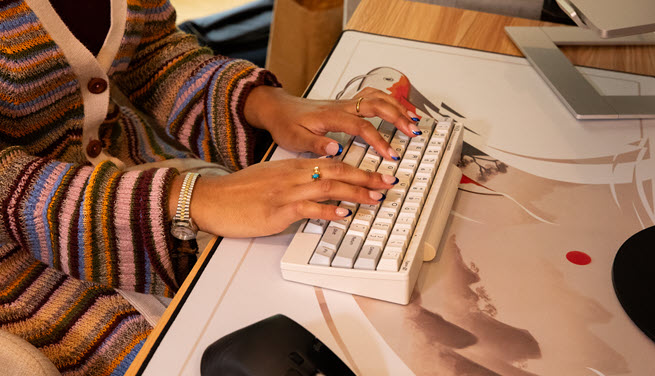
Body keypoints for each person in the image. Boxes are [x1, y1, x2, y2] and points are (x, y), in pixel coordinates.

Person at [0, 0, 422, 373]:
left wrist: (267, 106)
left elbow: (152, 51)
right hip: (20, 269)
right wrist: (192, 198)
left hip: (144, 179)